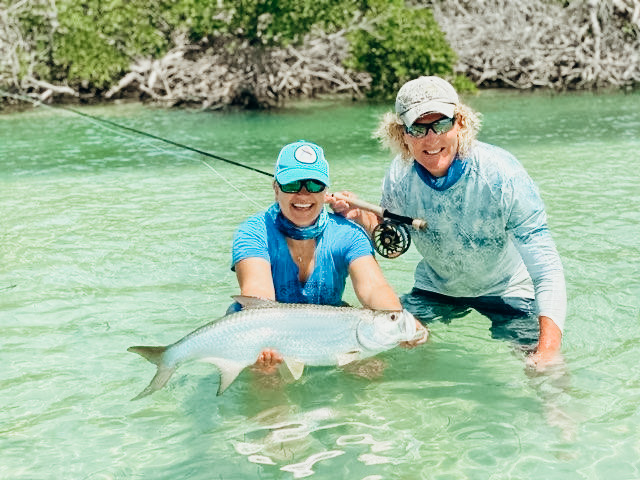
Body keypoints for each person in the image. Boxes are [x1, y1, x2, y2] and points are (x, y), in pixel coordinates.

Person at [329, 76, 566, 369]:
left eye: (441, 124)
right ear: (401, 134)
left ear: (461, 124)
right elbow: (395, 244)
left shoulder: (503, 176)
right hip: (434, 289)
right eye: (418, 128)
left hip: (507, 292)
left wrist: (548, 351)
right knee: (373, 352)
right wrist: (363, 218)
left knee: (546, 370)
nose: (431, 139)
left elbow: (548, 271)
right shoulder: (399, 175)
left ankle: (558, 413)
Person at [231, 140, 427, 373]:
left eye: (314, 185)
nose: (303, 194)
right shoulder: (253, 232)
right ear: (276, 189)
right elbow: (257, 294)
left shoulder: (348, 233)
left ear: (326, 192)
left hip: (331, 330)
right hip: (259, 328)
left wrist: (399, 322)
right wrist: (263, 338)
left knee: (371, 370)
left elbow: (374, 288)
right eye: (292, 184)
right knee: (267, 376)